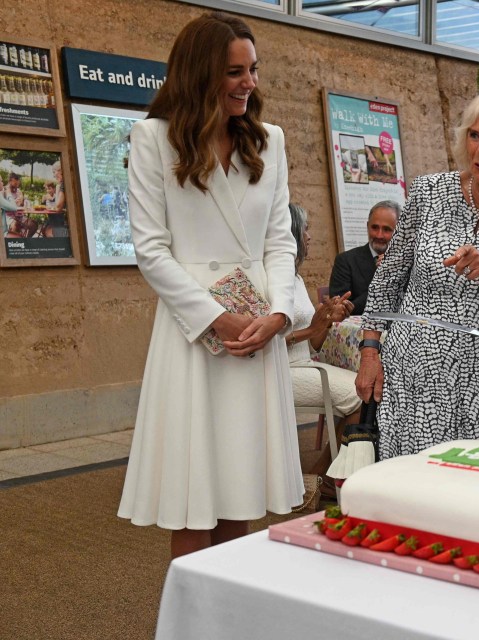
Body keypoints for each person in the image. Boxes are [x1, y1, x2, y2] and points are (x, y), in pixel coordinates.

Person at [117, 12, 303, 559]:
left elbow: (281, 241)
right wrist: (216, 318)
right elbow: (151, 251)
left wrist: (279, 315)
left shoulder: (270, 141)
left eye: (253, 69)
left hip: (258, 330)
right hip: (195, 333)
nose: (250, 83)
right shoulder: (154, 139)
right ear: (200, 74)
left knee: (242, 489)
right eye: (234, 72)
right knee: (195, 496)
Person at [355, 84, 479, 460]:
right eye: (474, 135)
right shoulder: (429, 192)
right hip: (416, 374)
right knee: (416, 488)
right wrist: (370, 352)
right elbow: (388, 280)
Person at [286, 204, 362, 483]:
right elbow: (264, 342)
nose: (309, 236)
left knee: (364, 384)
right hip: (283, 371)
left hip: (304, 363)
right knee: (360, 394)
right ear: (290, 234)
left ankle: (324, 472)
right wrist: (312, 329)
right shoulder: (271, 279)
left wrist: (327, 319)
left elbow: (314, 343)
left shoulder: (294, 277)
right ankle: (331, 477)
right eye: (305, 229)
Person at [328, 200, 399, 315]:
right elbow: (342, 310)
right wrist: (382, 279)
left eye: (386, 229)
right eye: (374, 227)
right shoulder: (346, 261)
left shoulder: (408, 263)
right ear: (367, 226)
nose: (379, 235)